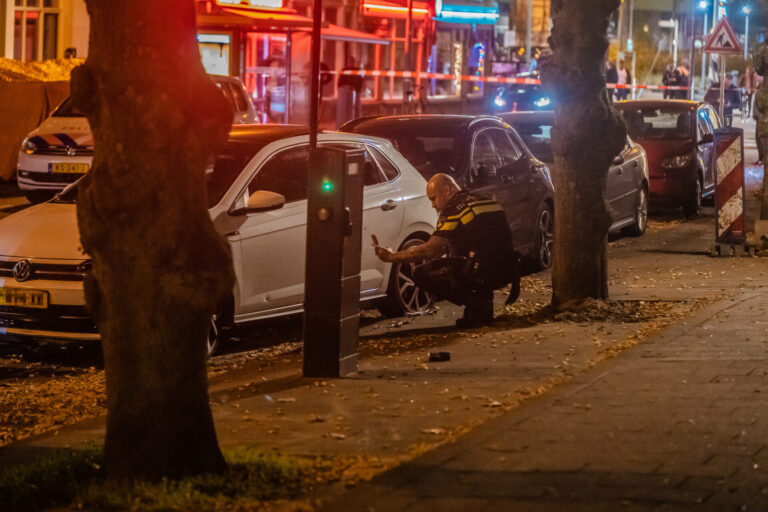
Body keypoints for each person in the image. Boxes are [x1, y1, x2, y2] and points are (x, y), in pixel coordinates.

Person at [372, 174, 519, 328]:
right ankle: (483, 303)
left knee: (421, 274)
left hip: (482, 272)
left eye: (434, 199)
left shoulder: (454, 209)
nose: (433, 205)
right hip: (507, 270)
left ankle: (477, 304)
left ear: (448, 190)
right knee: (467, 257)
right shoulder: (485, 199)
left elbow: (432, 250)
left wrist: (392, 257)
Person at [336, 56, 363, 128]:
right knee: (347, 110)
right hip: (347, 93)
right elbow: (340, 82)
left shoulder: (355, 70)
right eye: (349, 61)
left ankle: (353, 124)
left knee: (353, 110)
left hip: (354, 93)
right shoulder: (345, 69)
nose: (350, 63)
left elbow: (360, 81)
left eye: (351, 61)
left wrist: (359, 89)